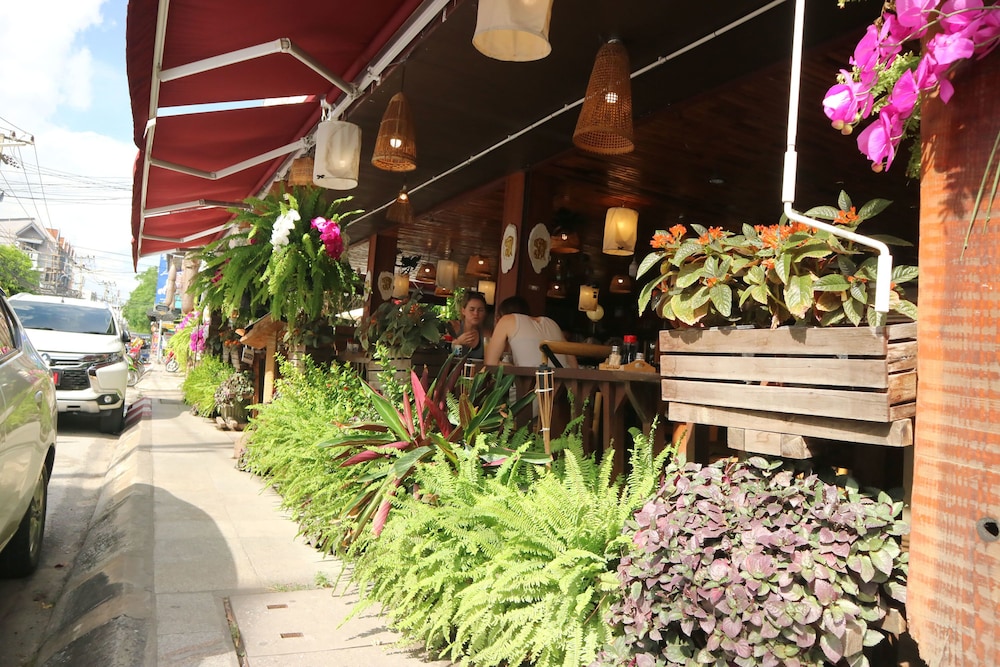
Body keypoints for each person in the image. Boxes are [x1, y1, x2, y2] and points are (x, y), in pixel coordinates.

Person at [485, 296, 577, 368]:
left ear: (501, 315)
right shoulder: (551, 322)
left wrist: (516, 368)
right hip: (562, 384)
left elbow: (490, 363)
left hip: (532, 384)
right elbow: (573, 365)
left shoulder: (507, 320)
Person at [449, 291, 489, 360]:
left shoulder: (486, 334)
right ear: (463, 311)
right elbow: (446, 357)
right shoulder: (453, 327)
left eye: (480, 310)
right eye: (472, 309)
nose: (476, 313)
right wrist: (458, 342)